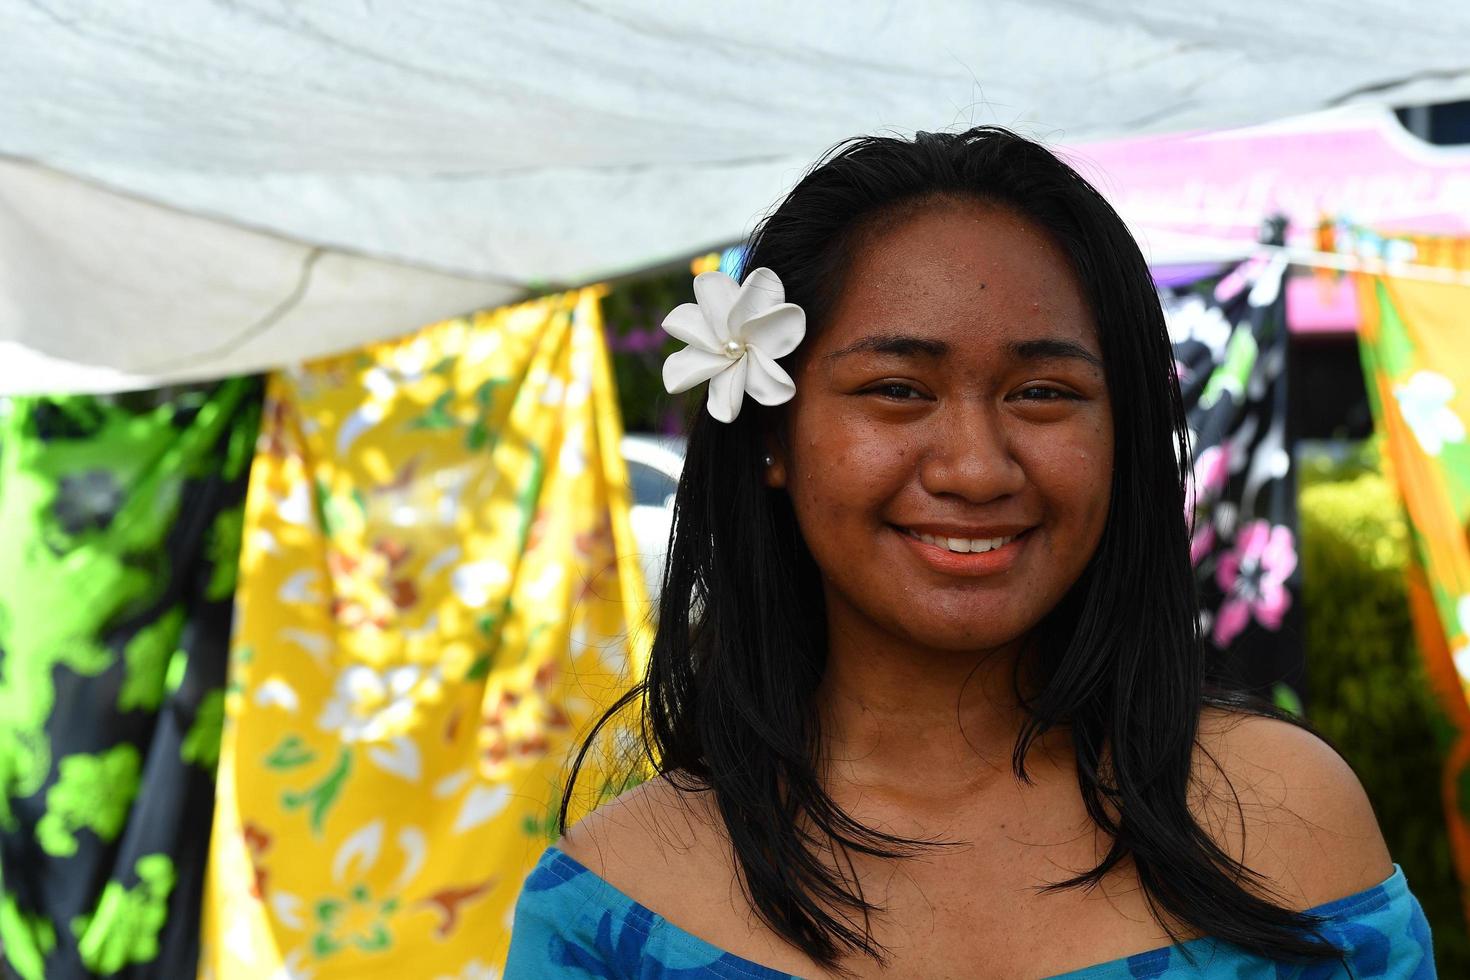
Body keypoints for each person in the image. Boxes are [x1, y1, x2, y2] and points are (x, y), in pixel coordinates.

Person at [505, 127, 1435, 978]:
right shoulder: (613, 907)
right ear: (772, 438)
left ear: (1126, 432)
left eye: (1042, 392)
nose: (976, 469)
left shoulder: (1291, 822)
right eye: (898, 389)